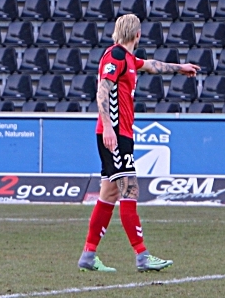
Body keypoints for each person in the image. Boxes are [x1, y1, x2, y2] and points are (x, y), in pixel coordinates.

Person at [80, 14, 200, 273]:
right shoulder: (115, 57)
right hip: (115, 135)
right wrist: (110, 128)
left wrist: (180, 68)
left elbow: (152, 65)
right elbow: (102, 89)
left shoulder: (130, 59)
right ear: (138, 35)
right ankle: (142, 255)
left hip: (116, 133)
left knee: (109, 192)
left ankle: (88, 255)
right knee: (130, 189)